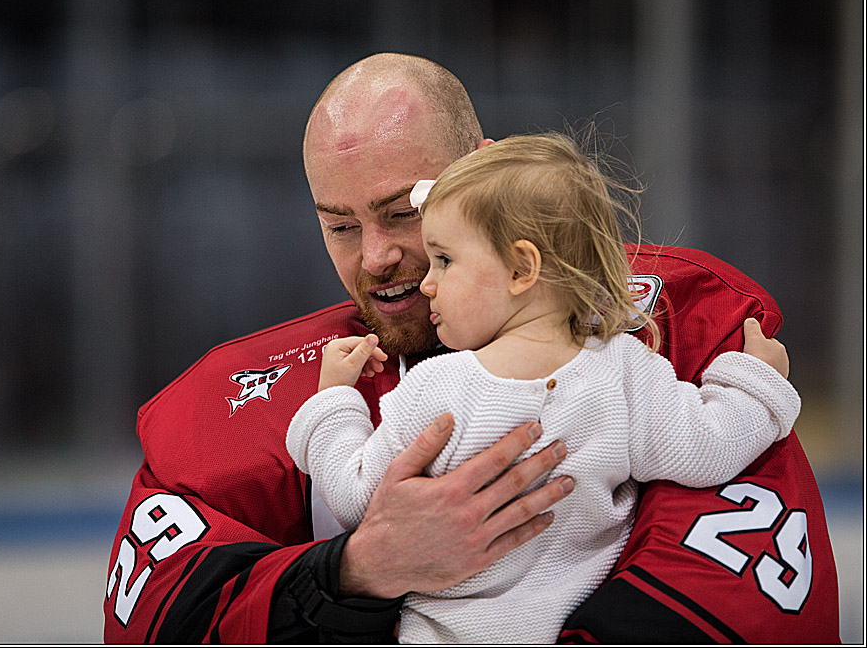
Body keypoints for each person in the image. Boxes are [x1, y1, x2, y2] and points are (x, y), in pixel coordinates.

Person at [103, 53, 840, 644]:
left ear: (482, 176)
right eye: (341, 225)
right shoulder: (250, 397)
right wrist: (355, 569)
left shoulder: (665, 328)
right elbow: (160, 614)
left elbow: (753, 596)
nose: (378, 257)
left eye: (404, 212)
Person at [286, 132, 801, 643]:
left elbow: (357, 498)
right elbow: (709, 446)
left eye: (444, 260)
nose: (427, 284)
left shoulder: (434, 389)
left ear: (521, 268)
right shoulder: (625, 370)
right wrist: (754, 380)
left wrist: (333, 400)